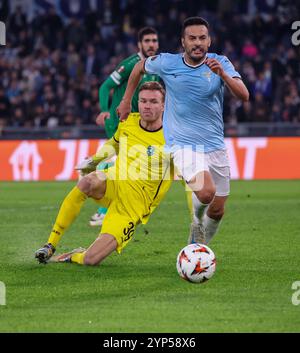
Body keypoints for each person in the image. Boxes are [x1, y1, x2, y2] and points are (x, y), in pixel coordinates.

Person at [117, 17, 249, 245]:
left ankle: (197, 245)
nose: (197, 42)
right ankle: (196, 225)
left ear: (209, 41)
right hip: (182, 144)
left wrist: (224, 76)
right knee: (206, 193)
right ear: (183, 42)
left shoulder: (220, 62)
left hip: (215, 145)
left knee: (217, 210)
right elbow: (139, 67)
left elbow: (244, 95)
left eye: (202, 38)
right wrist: (127, 100)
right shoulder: (168, 62)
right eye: (192, 38)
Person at [34, 82, 173, 265]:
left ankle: (74, 255)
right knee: (86, 183)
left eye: (154, 101)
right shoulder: (129, 122)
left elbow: (189, 172)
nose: (147, 106)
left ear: (163, 105)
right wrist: (94, 161)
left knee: (91, 260)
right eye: (143, 101)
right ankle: (50, 244)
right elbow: (113, 144)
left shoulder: (173, 136)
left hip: (134, 206)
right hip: (114, 181)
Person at [90, 26, 160, 227]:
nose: (151, 45)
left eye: (154, 41)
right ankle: (103, 209)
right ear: (140, 44)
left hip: (136, 123)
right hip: (119, 121)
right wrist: (104, 110)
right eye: (147, 41)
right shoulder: (131, 64)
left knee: (127, 165)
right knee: (120, 164)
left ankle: (113, 203)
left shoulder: (155, 66)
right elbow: (105, 86)